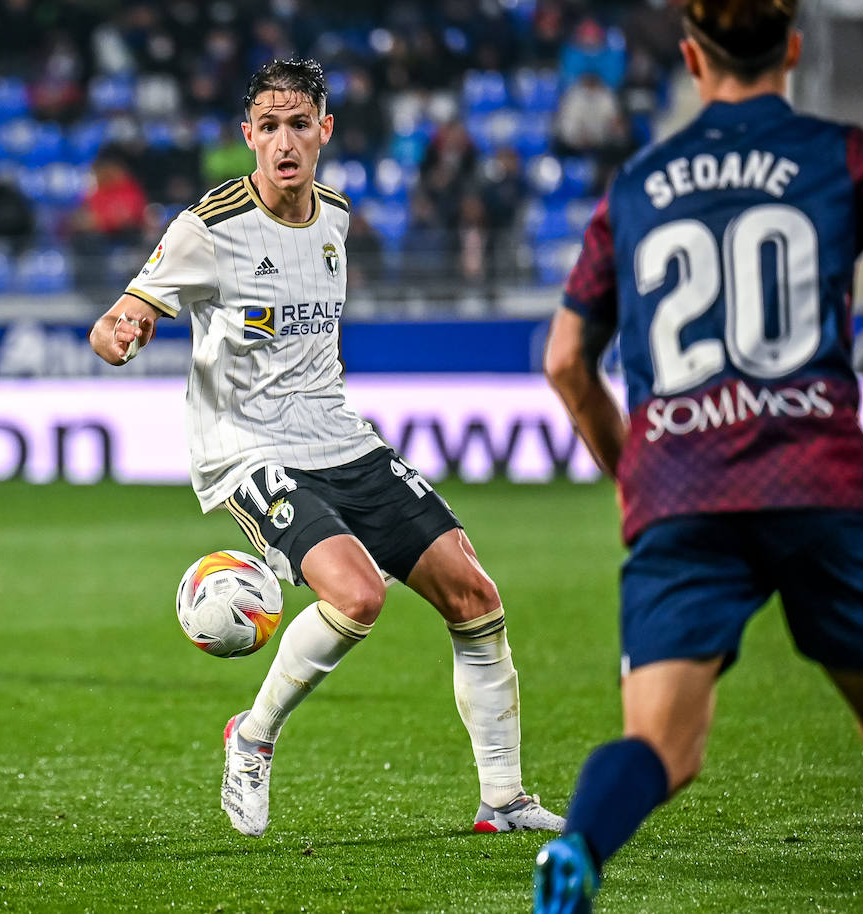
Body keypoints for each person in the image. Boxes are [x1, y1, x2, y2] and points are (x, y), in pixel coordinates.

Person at [533, 2, 863, 912]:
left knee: (660, 744)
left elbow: (564, 360)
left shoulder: (636, 185)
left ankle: (579, 850)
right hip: (817, 478)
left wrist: (637, 472)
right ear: (793, 46)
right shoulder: (849, 155)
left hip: (685, 489)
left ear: (693, 60)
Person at [88, 58, 563, 839]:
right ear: (247, 136)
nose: (284, 142)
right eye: (268, 127)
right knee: (357, 595)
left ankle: (503, 801)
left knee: (475, 596)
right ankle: (253, 735)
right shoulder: (207, 229)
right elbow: (119, 317)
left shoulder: (336, 217)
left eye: (298, 125)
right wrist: (125, 331)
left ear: (324, 132)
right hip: (246, 448)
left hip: (340, 437)